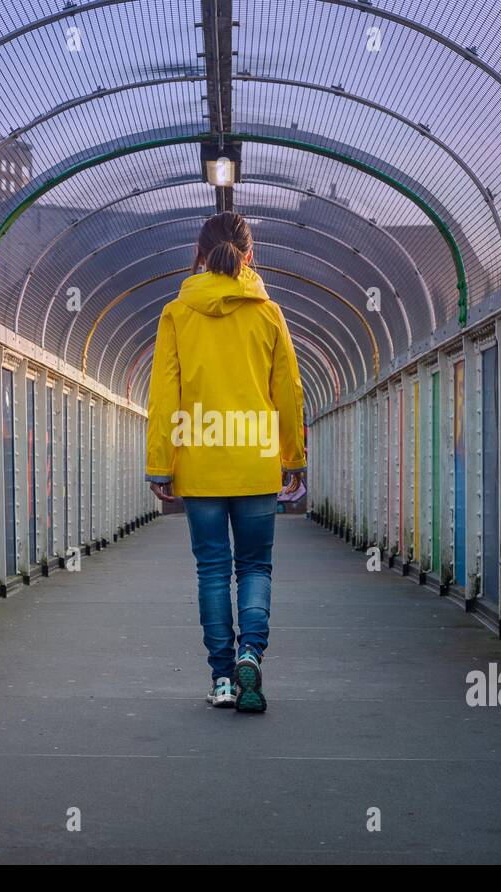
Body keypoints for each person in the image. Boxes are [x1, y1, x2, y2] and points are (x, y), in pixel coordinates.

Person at [145, 212, 306, 713]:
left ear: (199, 252)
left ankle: (220, 678)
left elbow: (163, 395)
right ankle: (250, 656)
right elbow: (290, 392)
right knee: (255, 565)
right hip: (256, 462)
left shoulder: (177, 313)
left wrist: (161, 465)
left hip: (201, 462)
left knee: (212, 570)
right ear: (249, 254)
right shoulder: (268, 313)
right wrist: (293, 458)